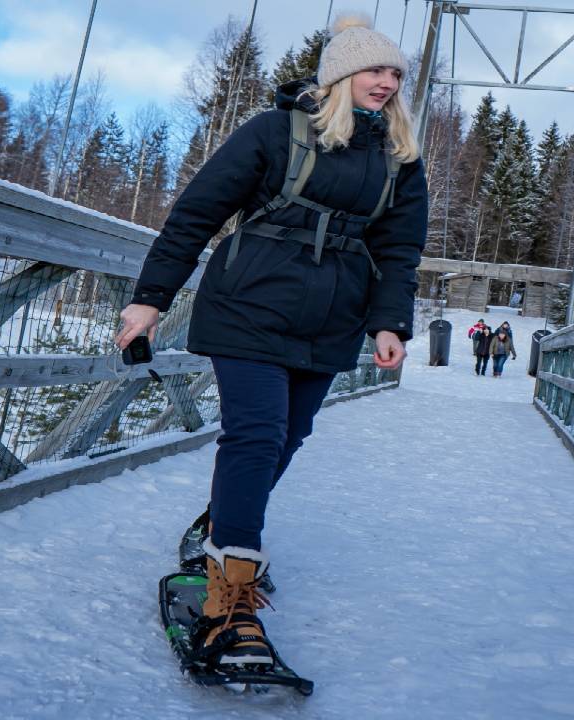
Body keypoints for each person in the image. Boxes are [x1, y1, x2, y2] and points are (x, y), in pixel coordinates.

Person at [114, 14, 427, 669]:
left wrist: (389, 323)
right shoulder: (274, 131)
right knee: (256, 434)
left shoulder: (399, 158)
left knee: (289, 436)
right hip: (249, 304)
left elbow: (399, 251)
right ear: (341, 75)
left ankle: (218, 529)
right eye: (374, 70)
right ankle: (229, 601)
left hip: (332, 319)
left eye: (395, 73)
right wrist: (151, 299)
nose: (387, 82)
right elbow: (196, 214)